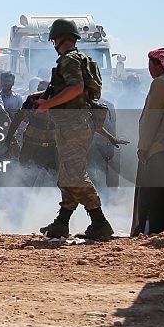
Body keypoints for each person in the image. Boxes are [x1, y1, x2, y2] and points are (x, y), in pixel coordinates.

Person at [36, 18, 115, 241]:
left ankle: (99, 222)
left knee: (75, 174)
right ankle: (62, 222)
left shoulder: (69, 60)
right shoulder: (80, 59)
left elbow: (76, 88)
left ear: (58, 38)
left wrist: (48, 105)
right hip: (77, 122)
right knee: (68, 173)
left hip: (72, 124)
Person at [131, 49, 164, 235]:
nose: (149, 69)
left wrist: (143, 147)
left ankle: (151, 230)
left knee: (152, 195)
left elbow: (152, 118)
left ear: (158, 65)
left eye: (151, 65)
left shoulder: (161, 84)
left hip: (158, 147)